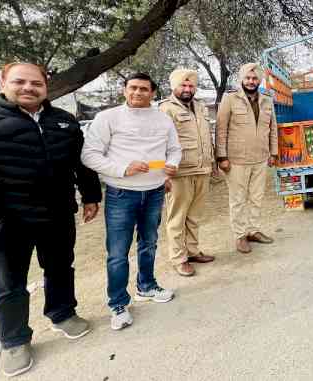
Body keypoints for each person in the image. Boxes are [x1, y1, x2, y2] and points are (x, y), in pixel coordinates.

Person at [0, 63, 102, 377]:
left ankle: (63, 313)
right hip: (8, 221)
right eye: (19, 81)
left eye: (35, 82)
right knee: (10, 285)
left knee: (61, 268)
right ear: (3, 82)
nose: (28, 88)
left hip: (58, 215)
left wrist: (91, 195)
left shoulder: (63, 121)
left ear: (45, 85)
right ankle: (14, 340)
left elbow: (82, 163)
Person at [82, 72, 182, 330]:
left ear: (152, 93)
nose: (138, 93)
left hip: (154, 191)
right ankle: (117, 303)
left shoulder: (163, 119)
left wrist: (172, 164)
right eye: (133, 88)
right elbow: (89, 155)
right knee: (117, 253)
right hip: (121, 193)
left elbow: (174, 149)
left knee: (148, 243)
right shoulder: (108, 118)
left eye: (144, 89)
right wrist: (122, 168)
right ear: (124, 90)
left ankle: (146, 286)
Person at [215, 63, 278, 254]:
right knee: (238, 200)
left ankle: (253, 230)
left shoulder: (267, 99)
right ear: (241, 79)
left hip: (260, 158)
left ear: (259, 80)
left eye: (255, 78)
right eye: (248, 78)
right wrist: (222, 157)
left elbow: (272, 128)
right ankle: (240, 235)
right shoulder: (230, 98)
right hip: (236, 160)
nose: (251, 81)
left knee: (256, 198)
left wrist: (273, 152)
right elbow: (221, 129)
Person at [159, 69, 216, 277]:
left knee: (194, 215)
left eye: (191, 85)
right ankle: (179, 258)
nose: (187, 89)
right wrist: (163, 174)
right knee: (177, 218)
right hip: (179, 172)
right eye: (183, 85)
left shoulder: (200, 107)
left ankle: (192, 251)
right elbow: (160, 142)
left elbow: (206, 136)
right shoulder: (166, 109)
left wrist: (213, 162)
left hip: (202, 169)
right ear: (174, 87)